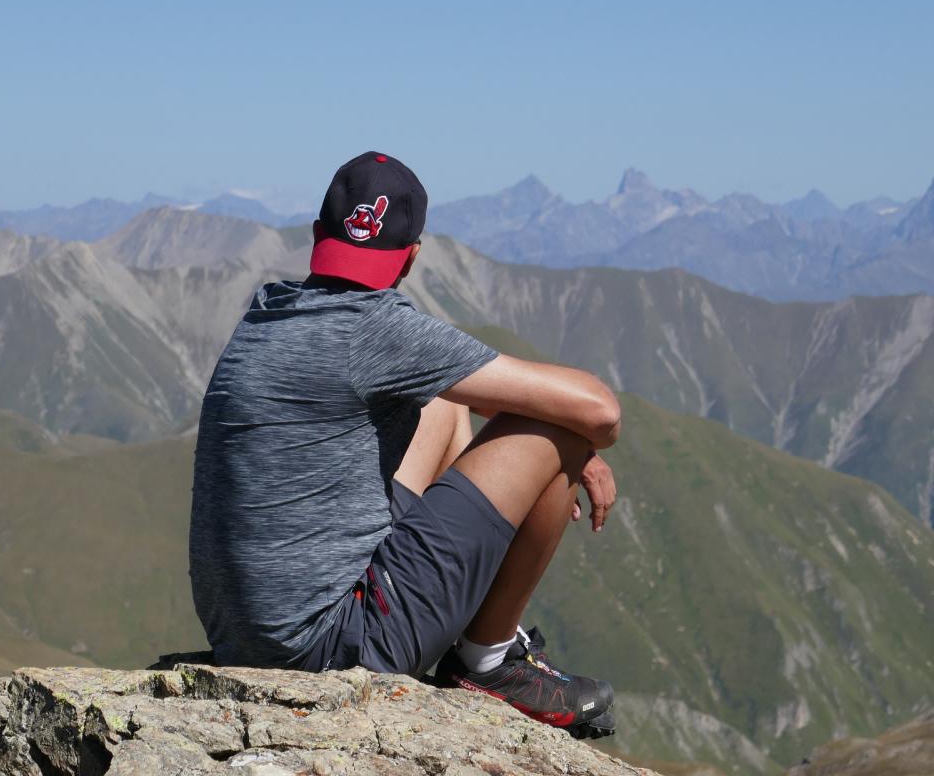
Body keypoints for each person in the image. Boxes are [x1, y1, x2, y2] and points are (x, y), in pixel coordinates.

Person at [189, 151, 622, 736]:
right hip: (332, 647)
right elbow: (601, 411)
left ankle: (473, 634)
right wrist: (575, 449)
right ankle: (487, 662)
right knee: (557, 429)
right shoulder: (377, 327)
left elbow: (465, 393)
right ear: (411, 258)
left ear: (319, 236)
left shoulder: (268, 312)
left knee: (443, 399)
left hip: (246, 631)